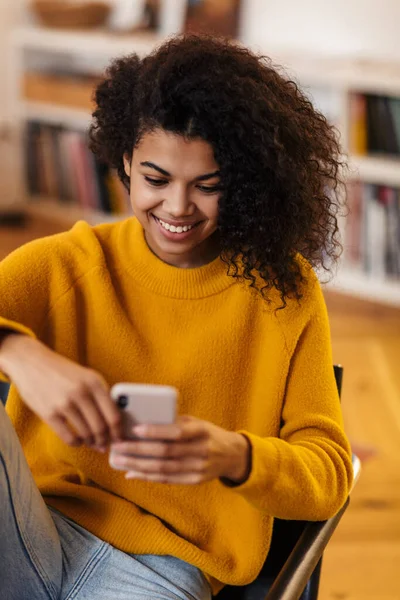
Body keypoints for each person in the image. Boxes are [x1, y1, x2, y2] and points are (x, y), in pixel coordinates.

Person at [0, 34, 353, 599]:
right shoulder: (66, 265)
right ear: (125, 164)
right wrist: (15, 350)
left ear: (243, 183)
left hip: (164, 569)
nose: (178, 208)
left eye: (208, 187)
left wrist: (235, 456)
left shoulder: (281, 293)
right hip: (30, 532)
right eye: (156, 180)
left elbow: (329, 475)